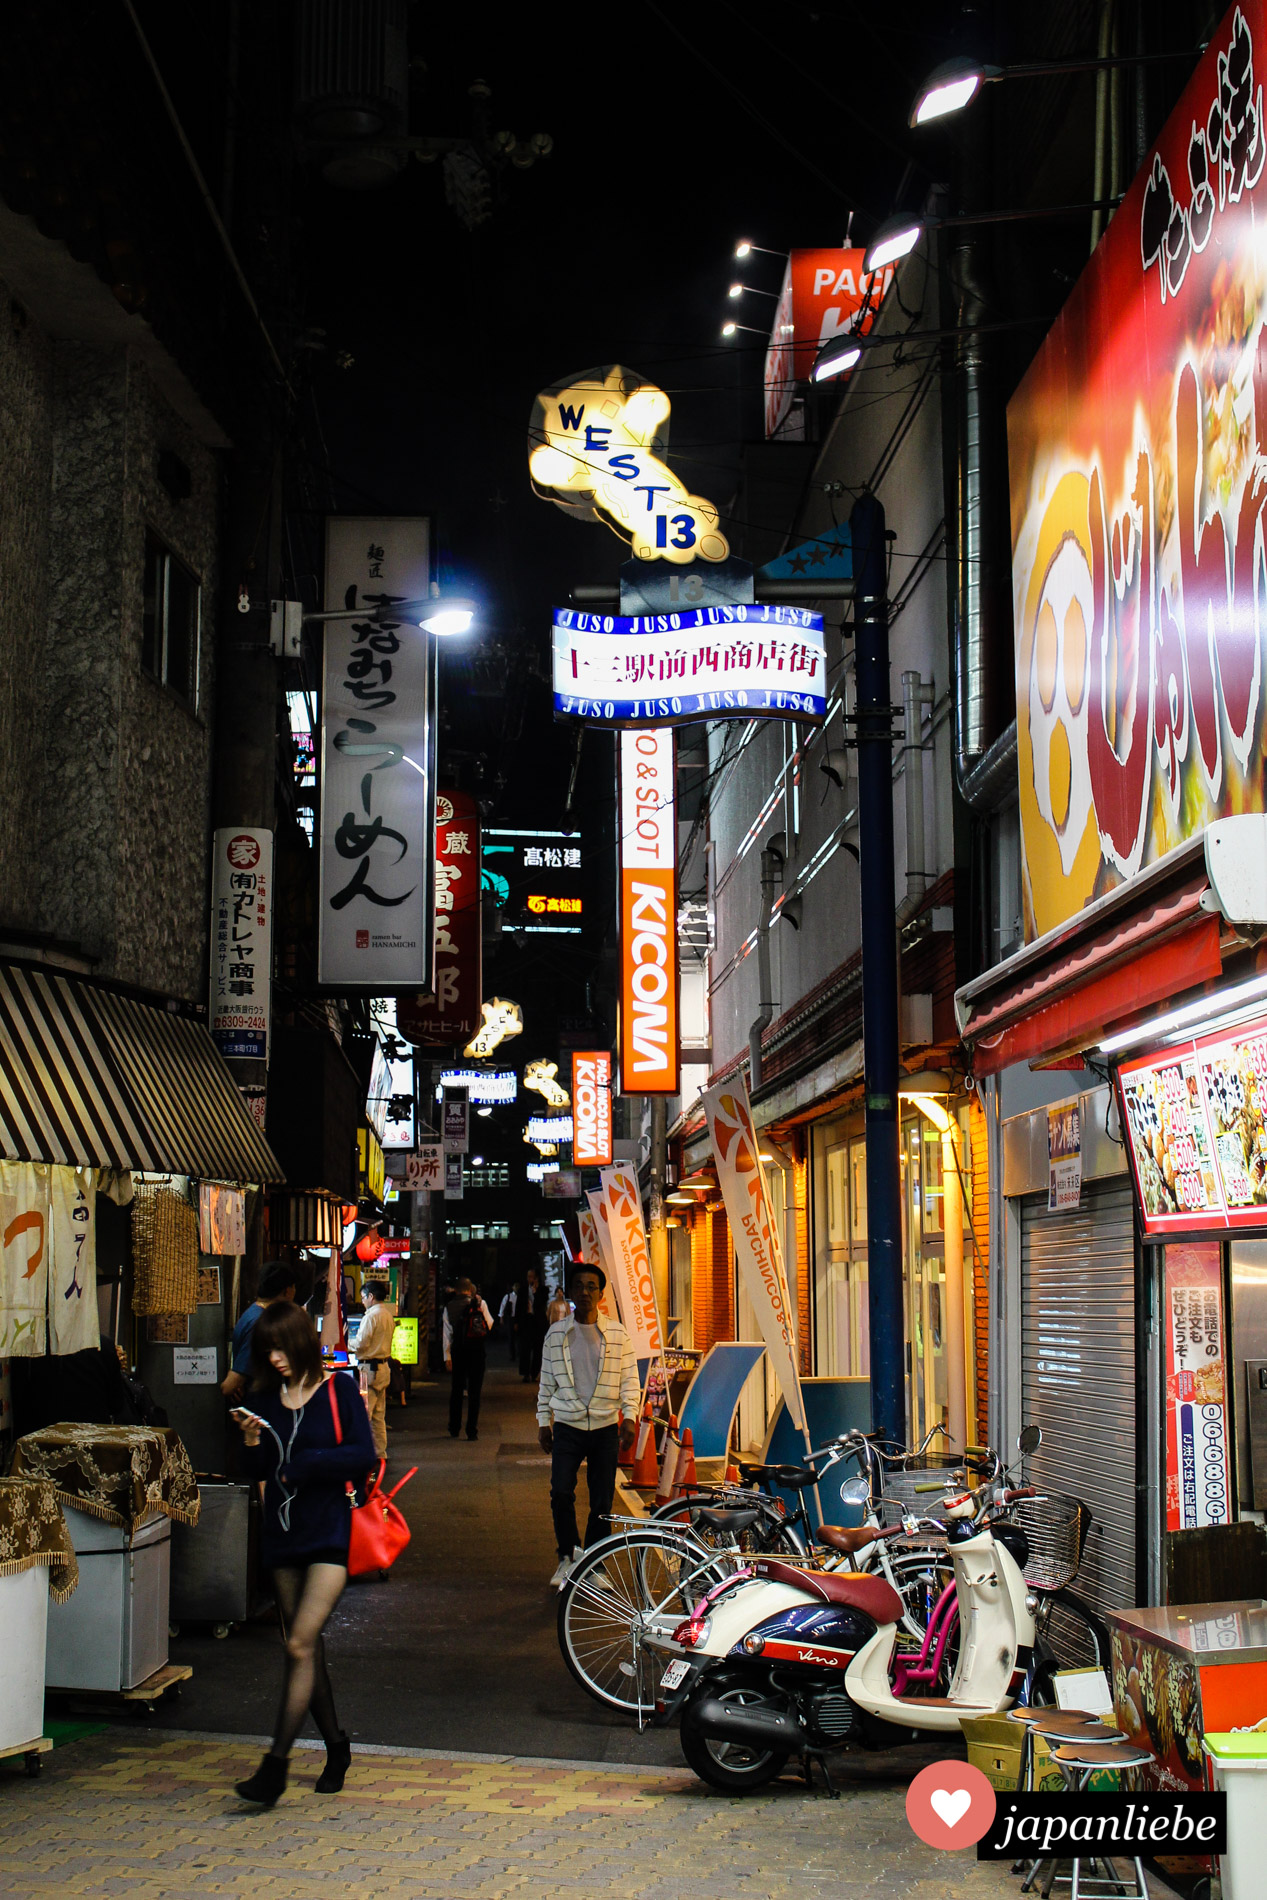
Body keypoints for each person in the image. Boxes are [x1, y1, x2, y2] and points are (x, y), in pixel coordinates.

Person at [231, 1300, 376, 1807]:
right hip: (283, 1535)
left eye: (279, 1348)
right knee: (305, 1649)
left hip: (329, 1534)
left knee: (298, 1645)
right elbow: (262, 1469)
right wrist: (251, 1443)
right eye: (264, 1351)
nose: (273, 1359)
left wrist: (306, 1466)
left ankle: (276, 1766)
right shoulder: (266, 1399)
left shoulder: (337, 1390)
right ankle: (336, 1746)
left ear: (300, 1342)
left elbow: (363, 1455)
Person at [537, 1262, 638, 1588]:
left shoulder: (618, 1334)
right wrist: (543, 1422)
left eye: (592, 1286)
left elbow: (629, 1380)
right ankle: (567, 1557)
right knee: (561, 1493)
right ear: (570, 1292)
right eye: (579, 1286)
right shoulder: (556, 1334)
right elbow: (546, 1381)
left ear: (601, 1292)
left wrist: (630, 1416)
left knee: (602, 1500)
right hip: (567, 1425)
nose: (585, 1292)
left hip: (606, 1427)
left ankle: (595, 1564)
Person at [221, 1261, 296, 1402]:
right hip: (258, 1410)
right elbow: (229, 1386)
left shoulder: (252, 1313)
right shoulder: (259, 1322)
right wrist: (236, 1384)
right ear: (287, 1291)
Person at [443, 1277, 493, 1440]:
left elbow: (447, 1333)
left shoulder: (449, 1306)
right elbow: (489, 1324)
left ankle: (454, 1427)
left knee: (456, 1390)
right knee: (475, 1391)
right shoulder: (480, 1303)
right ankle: (472, 1430)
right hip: (477, 1350)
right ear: (470, 1290)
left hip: (458, 1350)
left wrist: (447, 1356)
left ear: (456, 1290)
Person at [352, 1278, 395, 1459]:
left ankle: (362, 1453)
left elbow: (361, 1344)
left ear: (371, 1296)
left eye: (363, 1297)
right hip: (384, 1368)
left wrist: (345, 1343)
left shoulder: (371, 1316)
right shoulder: (387, 1314)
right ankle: (380, 1454)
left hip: (368, 1370)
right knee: (379, 1415)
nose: (362, 1301)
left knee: (365, 1413)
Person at [516, 1264, 548, 1383]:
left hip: (538, 1322)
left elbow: (541, 1304)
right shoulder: (522, 1290)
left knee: (538, 1349)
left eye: (532, 1277)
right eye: (528, 1277)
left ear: (536, 1278)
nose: (529, 1279)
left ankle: (535, 1373)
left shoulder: (543, 1290)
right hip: (526, 1321)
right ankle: (525, 1373)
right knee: (525, 1348)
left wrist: (535, 1292)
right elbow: (518, 1307)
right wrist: (516, 1322)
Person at [498, 1285, 518, 1363]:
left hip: (518, 1318)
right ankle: (512, 1355)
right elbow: (502, 1306)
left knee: (518, 1337)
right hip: (510, 1318)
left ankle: (518, 1353)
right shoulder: (508, 1296)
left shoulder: (520, 1297)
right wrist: (501, 1317)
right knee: (511, 1337)